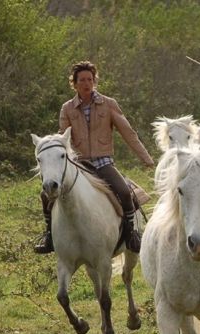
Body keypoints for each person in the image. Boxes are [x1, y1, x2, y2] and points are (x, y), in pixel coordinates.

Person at [34, 60, 155, 255]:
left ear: (94, 81)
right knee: (44, 195)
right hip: (79, 165)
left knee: (125, 192)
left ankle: (131, 234)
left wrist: (146, 158)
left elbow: (128, 132)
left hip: (104, 163)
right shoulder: (67, 108)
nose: (86, 83)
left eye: (89, 79)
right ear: (74, 83)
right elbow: (64, 138)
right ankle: (49, 235)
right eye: (81, 80)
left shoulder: (109, 104)